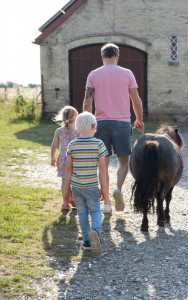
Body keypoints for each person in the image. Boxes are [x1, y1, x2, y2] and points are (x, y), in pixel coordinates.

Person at [83, 43, 144, 213]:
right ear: (117, 56)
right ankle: (118, 188)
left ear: (102, 57)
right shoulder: (127, 74)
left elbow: (87, 101)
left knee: (103, 162)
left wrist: (87, 123)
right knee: (124, 160)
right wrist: (138, 119)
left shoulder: (93, 74)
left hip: (100, 123)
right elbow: (136, 100)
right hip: (123, 123)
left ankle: (107, 203)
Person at [63, 112, 109, 254]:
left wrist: (67, 189)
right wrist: (104, 190)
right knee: (95, 210)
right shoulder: (99, 144)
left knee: (82, 212)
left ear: (76, 128)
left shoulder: (72, 145)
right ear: (94, 126)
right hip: (92, 186)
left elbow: (68, 170)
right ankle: (95, 231)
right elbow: (102, 171)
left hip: (77, 186)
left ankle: (88, 241)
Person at [51, 105, 78, 213]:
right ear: (75, 118)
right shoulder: (77, 132)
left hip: (62, 159)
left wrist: (52, 157)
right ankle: (74, 199)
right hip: (75, 159)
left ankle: (65, 202)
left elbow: (54, 145)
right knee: (74, 181)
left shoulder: (59, 131)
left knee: (64, 181)